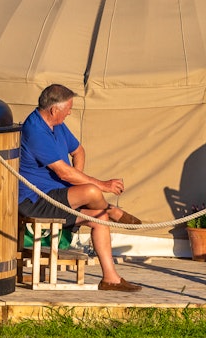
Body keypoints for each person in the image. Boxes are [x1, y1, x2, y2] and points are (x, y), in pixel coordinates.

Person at [18, 83, 143, 292]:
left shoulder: (56, 125)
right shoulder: (35, 130)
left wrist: (76, 187)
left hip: (58, 197)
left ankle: (110, 279)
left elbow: (79, 151)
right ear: (53, 110)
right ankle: (112, 210)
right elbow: (64, 172)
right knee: (93, 192)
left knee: (99, 218)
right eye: (68, 109)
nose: (70, 112)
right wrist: (102, 185)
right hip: (36, 201)